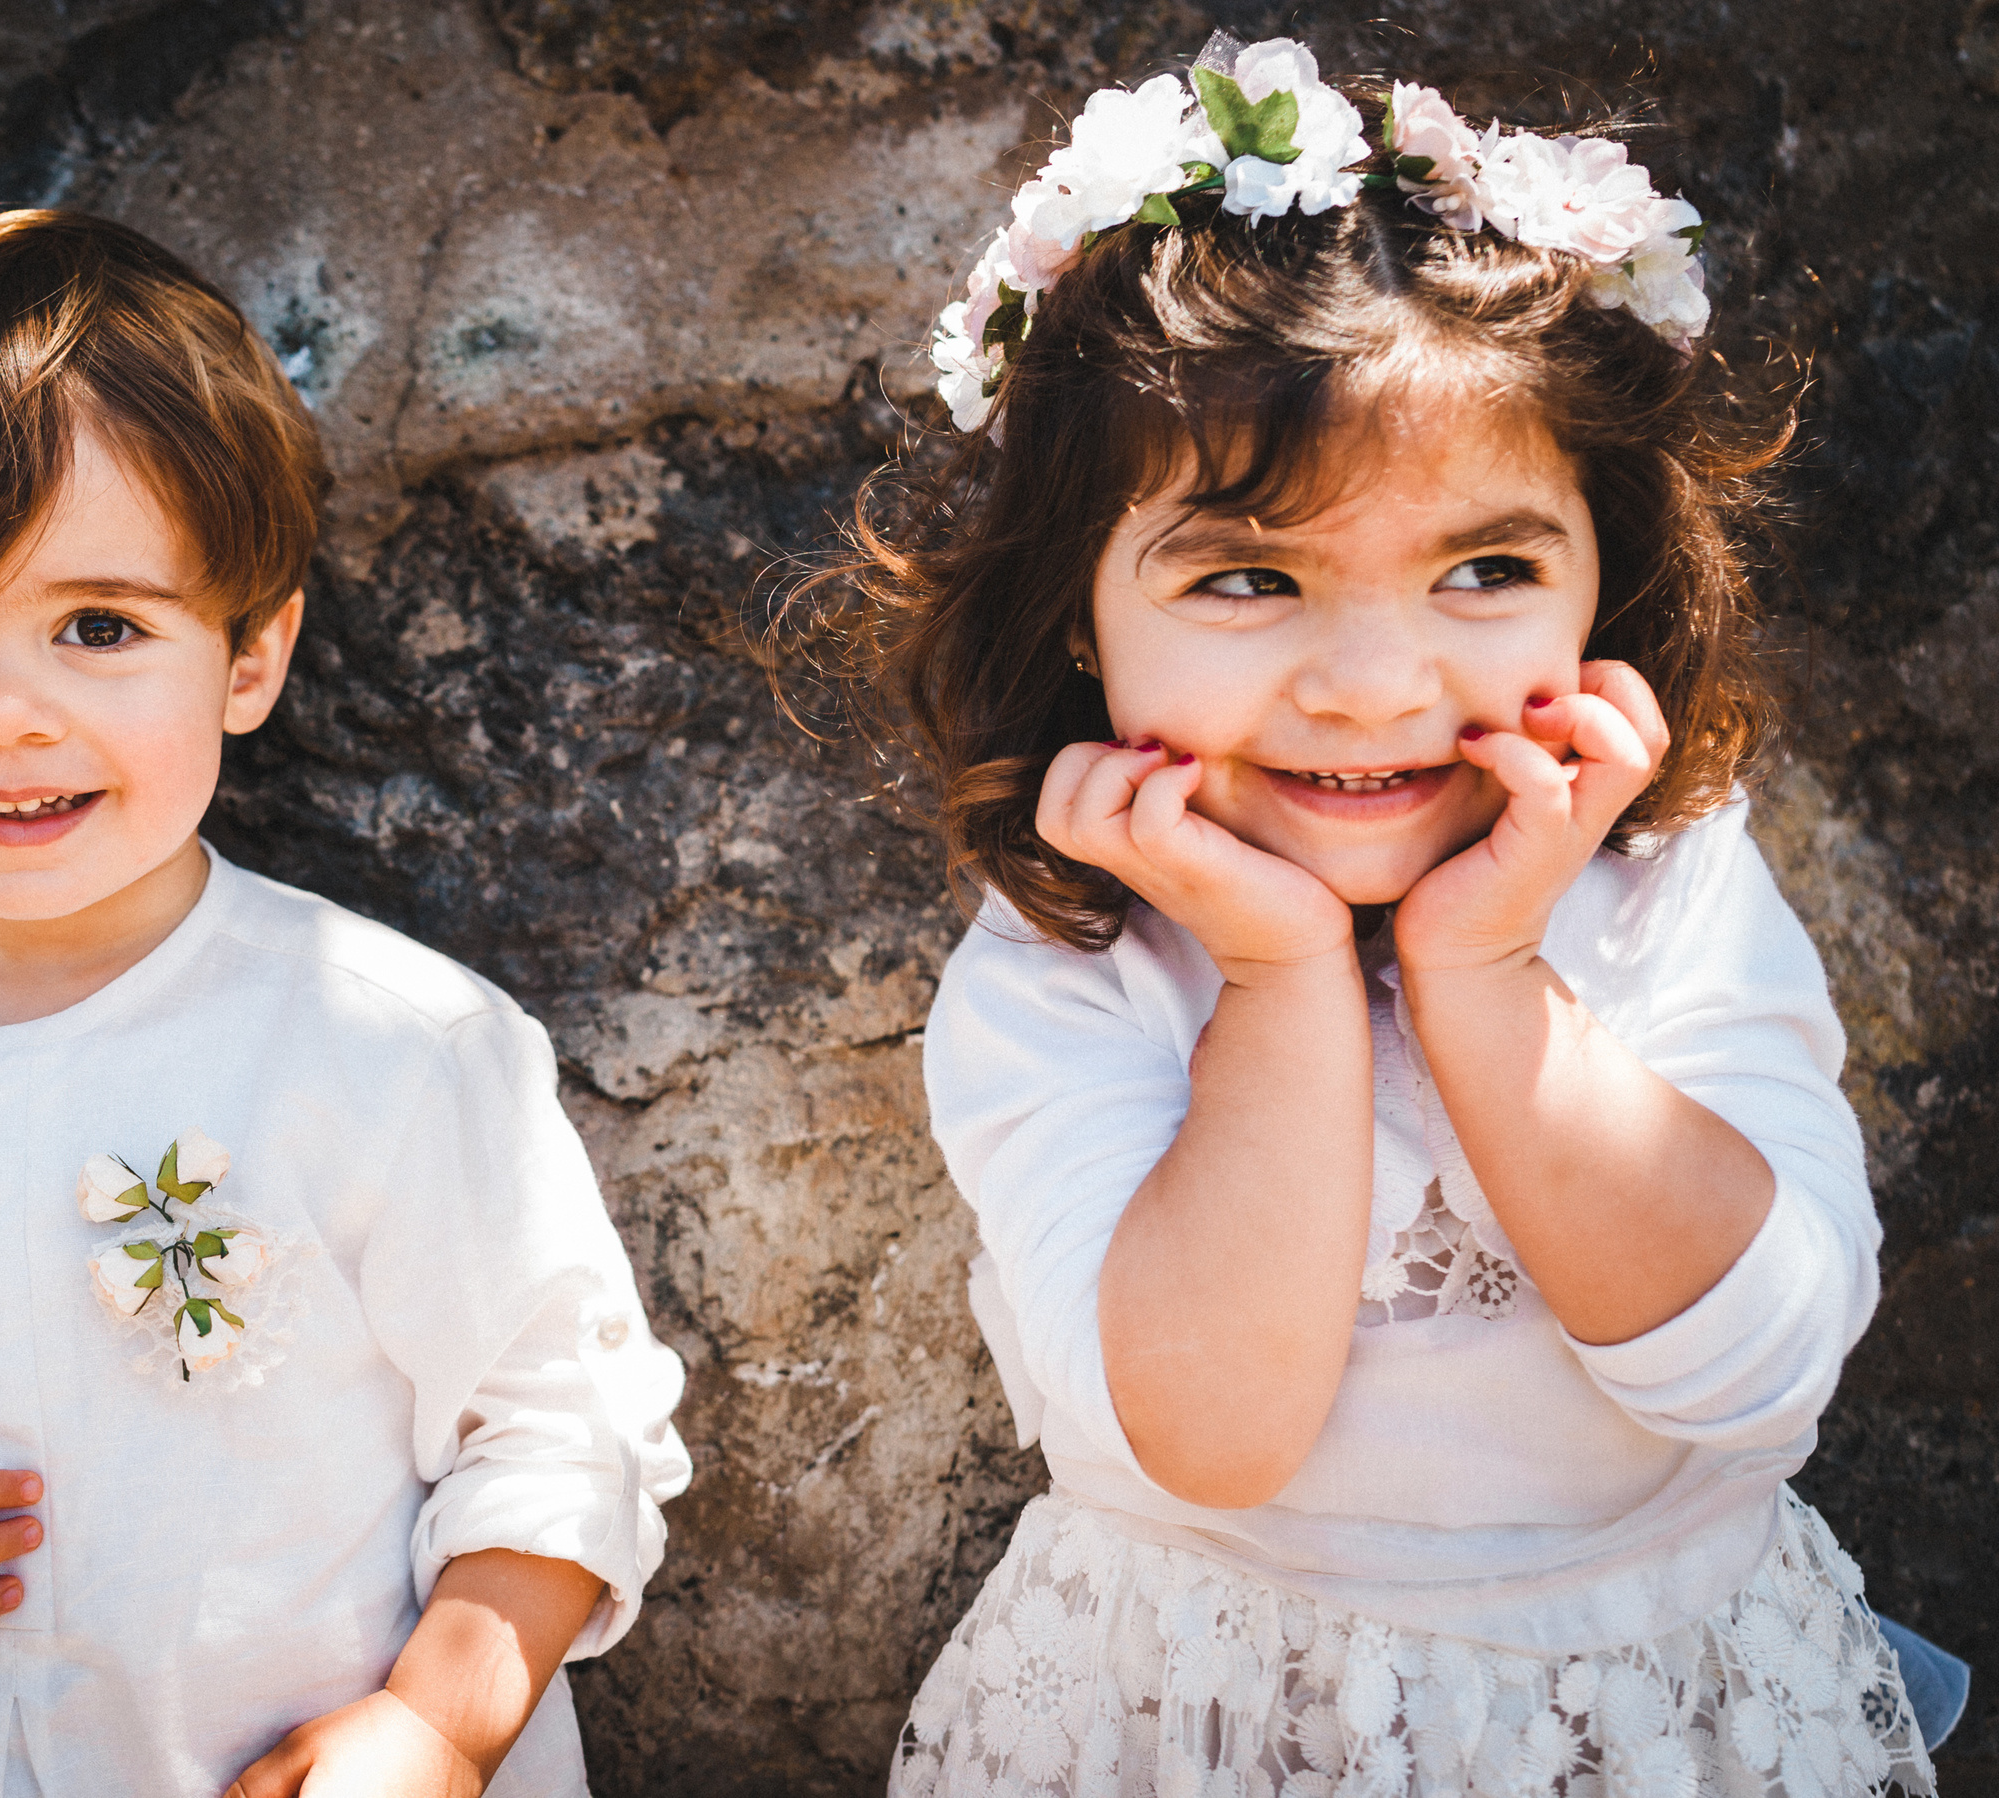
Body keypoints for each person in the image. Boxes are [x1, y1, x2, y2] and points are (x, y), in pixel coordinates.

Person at [796, 35, 1952, 1797]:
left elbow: (1763, 1371)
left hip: (1663, 1707)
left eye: (1486, 569)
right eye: (1252, 577)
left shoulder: (1660, 887)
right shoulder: (1075, 964)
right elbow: (1213, 1438)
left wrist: (1488, 970)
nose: (1371, 685)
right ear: (1084, 622)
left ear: (1603, 582)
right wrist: (1272, 978)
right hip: (1215, 1709)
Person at [0, 209, 690, 1798]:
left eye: (98, 626)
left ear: (249, 656)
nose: (3, 711)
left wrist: (437, 1725)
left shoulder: (392, 1049)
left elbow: (559, 1425)